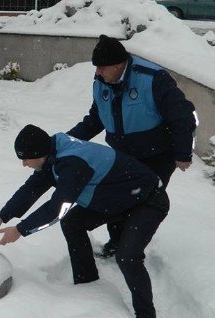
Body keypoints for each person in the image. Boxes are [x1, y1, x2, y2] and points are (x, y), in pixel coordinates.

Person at [0, 125, 167, 318]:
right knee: (73, 222)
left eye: (26, 159)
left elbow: (59, 207)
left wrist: (21, 230)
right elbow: (30, 190)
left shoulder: (72, 163)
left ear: (39, 154)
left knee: (128, 257)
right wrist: (0, 218)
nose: (24, 164)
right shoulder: (52, 156)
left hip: (148, 201)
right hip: (115, 199)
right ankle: (88, 282)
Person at [67, 35, 196, 258]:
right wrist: (67, 142)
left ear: (119, 65)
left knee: (142, 201)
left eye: (102, 67)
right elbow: (96, 118)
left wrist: (183, 153)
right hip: (122, 154)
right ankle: (118, 243)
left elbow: (183, 116)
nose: (97, 72)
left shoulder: (153, 78)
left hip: (156, 155)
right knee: (115, 197)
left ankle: (131, 252)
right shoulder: (102, 81)